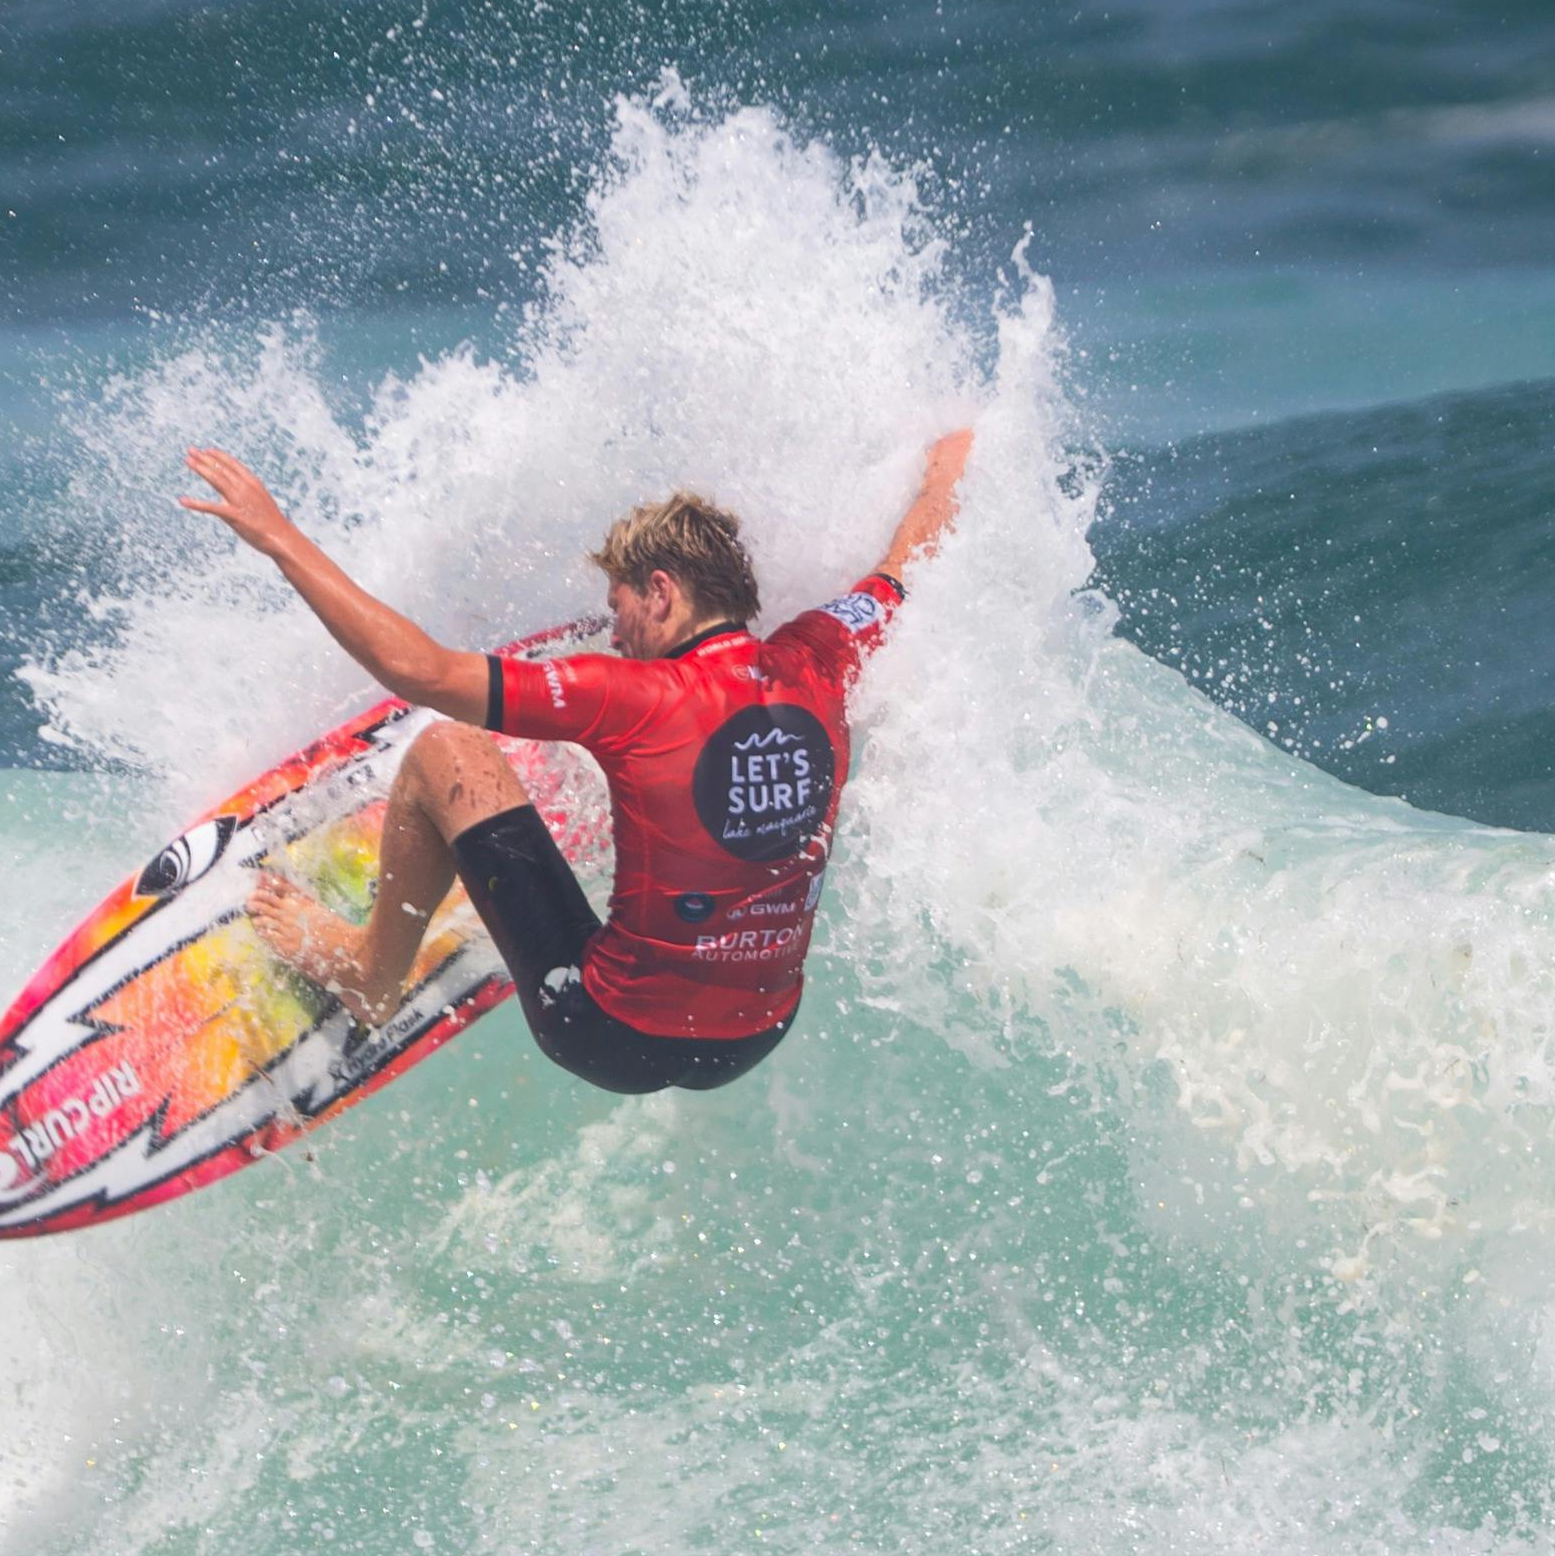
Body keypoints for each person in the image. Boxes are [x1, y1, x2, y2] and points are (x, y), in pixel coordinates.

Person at [174, 429, 972, 1097]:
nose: (613, 633)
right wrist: (951, 459)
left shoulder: (630, 695)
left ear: (661, 591)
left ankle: (369, 972)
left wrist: (277, 536)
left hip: (607, 1033)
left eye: (619, 608)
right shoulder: (824, 657)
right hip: (755, 1035)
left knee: (447, 747)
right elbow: (908, 560)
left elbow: (418, 670)